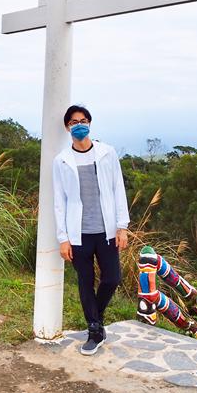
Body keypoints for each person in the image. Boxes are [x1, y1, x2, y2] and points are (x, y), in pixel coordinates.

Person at [52, 105, 130, 355]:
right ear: (68, 127)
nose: (79, 125)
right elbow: (59, 200)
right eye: (74, 122)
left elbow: (118, 189)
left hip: (106, 231)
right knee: (85, 281)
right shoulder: (62, 160)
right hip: (79, 233)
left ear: (90, 123)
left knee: (112, 278)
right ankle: (94, 329)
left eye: (83, 120)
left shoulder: (107, 153)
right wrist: (63, 239)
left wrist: (122, 227)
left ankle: (95, 314)